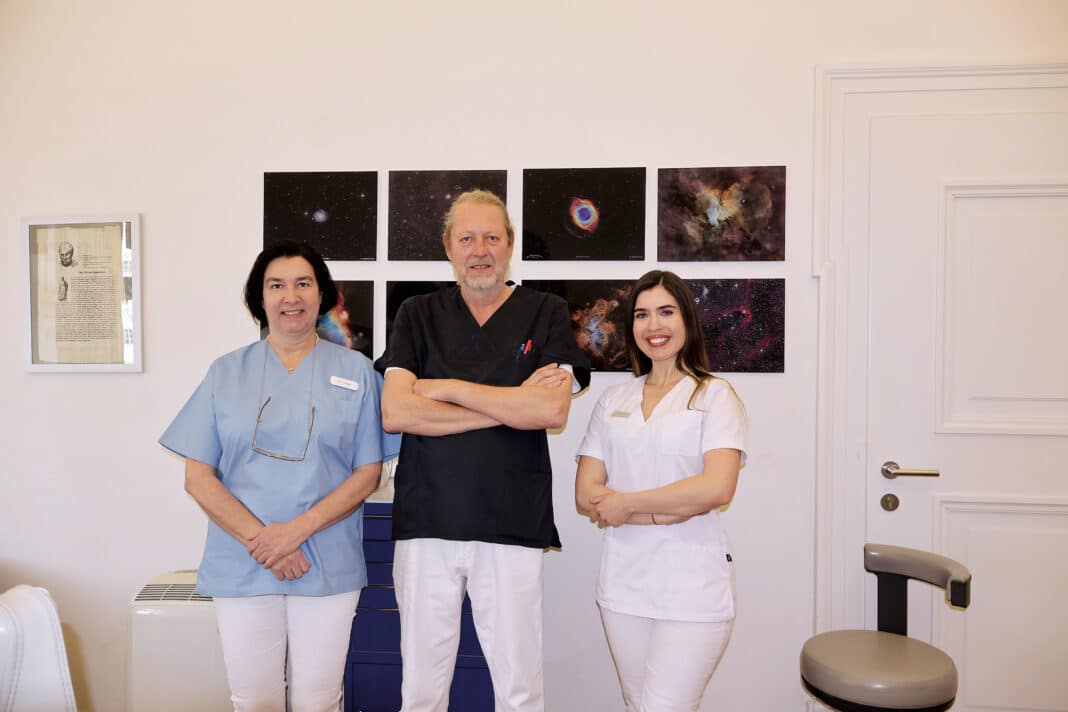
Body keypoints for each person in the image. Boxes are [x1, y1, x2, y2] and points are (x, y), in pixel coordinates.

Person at [375, 189, 591, 712]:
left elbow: (550, 412)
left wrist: (441, 385)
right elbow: (397, 413)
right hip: (427, 522)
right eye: (467, 237)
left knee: (519, 688)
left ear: (510, 244)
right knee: (422, 689)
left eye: (492, 237)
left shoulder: (546, 311)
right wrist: (510, 404)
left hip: (511, 524)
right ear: (447, 246)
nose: (480, 249)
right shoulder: (416, 313)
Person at [160, 240, 397, 712]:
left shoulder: (358, 371)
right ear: (260, 298)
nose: (291, 296)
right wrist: (265, 541)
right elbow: (198, 476)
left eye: (303, 283)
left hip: (325, 561)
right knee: (254, 700)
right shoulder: (226, 372)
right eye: (277, 285)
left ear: (321, 294)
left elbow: (368, 471)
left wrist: (294, 534)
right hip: (244, 561)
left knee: (320, 699)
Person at [575, 269, 747, 712]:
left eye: (666, 312)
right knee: (638, 704)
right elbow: (585, 493)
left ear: (686, 320)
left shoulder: (714, 396)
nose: (654, 326)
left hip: (692, 588)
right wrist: (670, 508)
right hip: (624, 586)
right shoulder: (614, 400)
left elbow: (716, 487)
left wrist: (628, 504)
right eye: (643, 315)